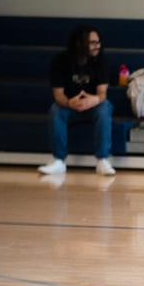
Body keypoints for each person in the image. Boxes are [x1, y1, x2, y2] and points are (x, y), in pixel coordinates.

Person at [38, 25, 116, 176]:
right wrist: (69, 103)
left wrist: (94, 100)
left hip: (93, 105)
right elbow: (58, 95)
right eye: (92, 42)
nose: (97, 46)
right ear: (79, 44)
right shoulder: (60, 61)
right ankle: (58, 160)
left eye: (98, 42)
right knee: (55, 110)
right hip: (69, 104)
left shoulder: (101, 61)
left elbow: (102, 93)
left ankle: (103, 160)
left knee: (104, 107)